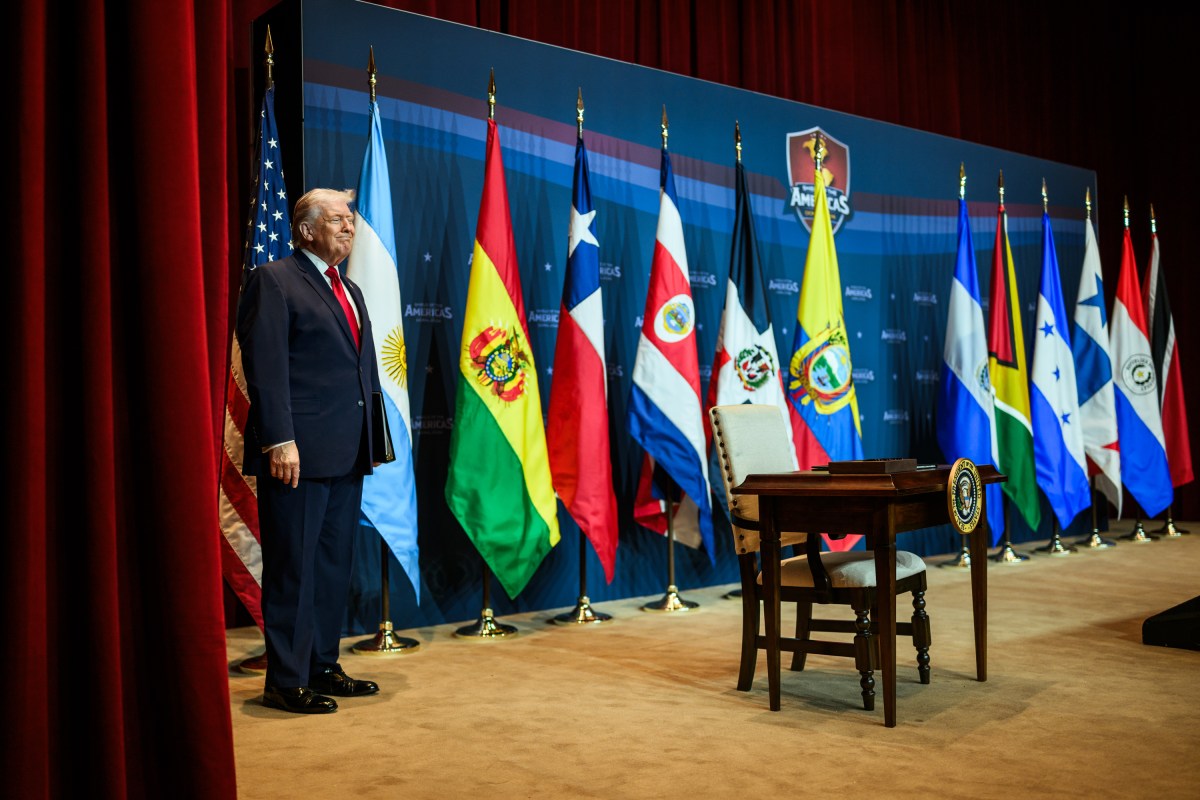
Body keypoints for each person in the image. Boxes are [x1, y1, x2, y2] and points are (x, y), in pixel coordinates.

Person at [238, 187, 384, 714]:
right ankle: (285, 679)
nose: (349, 227)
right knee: (294, 567)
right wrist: (279, 439)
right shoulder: (274, 281)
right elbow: (268, 368)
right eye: (340, 220)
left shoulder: (351, 290)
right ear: (306, 229)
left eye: (351, 220)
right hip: (295, 454)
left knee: (330, 566)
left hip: (346, 453)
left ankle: (323, 665)